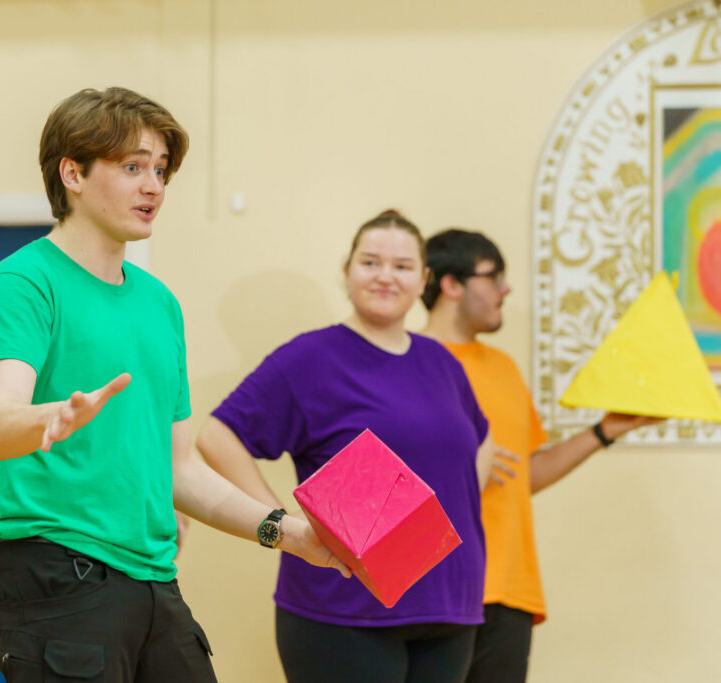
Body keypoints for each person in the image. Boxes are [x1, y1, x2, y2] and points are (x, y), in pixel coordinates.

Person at [0, 86, 347, 683]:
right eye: (132, 167)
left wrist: (289, 533)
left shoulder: (159, 305)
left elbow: (182, 471)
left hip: (152, 578)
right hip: (56, 573)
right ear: (72, 172)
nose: (154, 187)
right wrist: (50, 419)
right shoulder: (22, 282)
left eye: (161, 171)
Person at [197, 209, 496, 683]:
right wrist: (283, 525)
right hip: (341, 609)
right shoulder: (310, 357)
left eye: (401, 266)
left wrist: (452, 511)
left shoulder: (441, 362)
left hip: (450, 604)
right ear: (347, 271)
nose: (385, 276)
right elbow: (216, 436)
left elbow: (481, 440)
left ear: (424, 279)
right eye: (370, 262)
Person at [419, 228, 657, 683]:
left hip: (510, 592)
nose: (506, 289)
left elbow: (523, 476)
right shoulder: (408, 362)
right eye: (494, 277)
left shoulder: (504, 368)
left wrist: (606, 430)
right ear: (451, 285)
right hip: (433, 590)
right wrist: (462, 471)